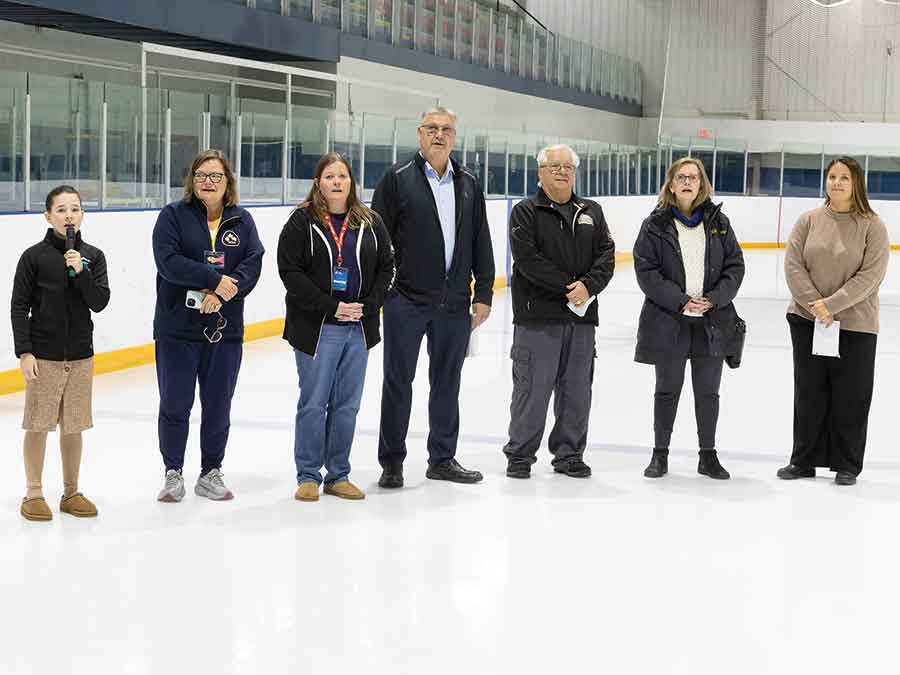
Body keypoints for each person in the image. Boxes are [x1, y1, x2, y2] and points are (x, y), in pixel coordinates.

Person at [371, 106, 495, 488]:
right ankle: (392, 462)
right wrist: (386, 293)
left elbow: (480, 240)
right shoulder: (396, 179)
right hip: (405, 301)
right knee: (398, 381)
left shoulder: (469, 182)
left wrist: (484, 292)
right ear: (420, 134)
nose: (439, 135)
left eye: (446, 130)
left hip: (454, 303)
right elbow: (378, 241)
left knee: (447, 382)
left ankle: (442, 458)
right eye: (432, 129)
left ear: (454, 137)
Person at [278, 153, 395, 502]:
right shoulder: (302, 221)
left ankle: (339, 474)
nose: (337, 182)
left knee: (347, 404)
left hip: (358, 327)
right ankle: (309, 475)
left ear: (351, 182)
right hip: (318, 328)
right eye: (330, 176)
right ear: (318, 183)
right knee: (314, 403)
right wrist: (332, 307)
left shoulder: (370, 221)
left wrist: (368, 306)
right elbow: (290, 273)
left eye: (342, 176)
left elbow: (388, 267)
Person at [152, 149, 264, 502]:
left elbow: (253, 263)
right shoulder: (173, 216)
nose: (208, 182)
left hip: (224, 331)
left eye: (216, 176)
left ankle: (210, 472)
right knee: (175, 403)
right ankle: (173, 473)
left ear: (228, 181)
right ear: (192, 180)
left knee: (218, 405)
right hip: (178, 330)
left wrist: (225, 293)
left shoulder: (242, 221)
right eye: (201, 175)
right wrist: (214, 280)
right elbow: (168, 262)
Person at [502, 144, 615, 479]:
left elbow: (606, 256)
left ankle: (569, 454)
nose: (562, 171)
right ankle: (521, 454)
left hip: (581, 321)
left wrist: (589, 287)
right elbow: (527, 260)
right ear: (540, 172)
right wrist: (571, 287)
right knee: (532, 389)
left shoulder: (591, 211)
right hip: (538, 318)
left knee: (577, 389)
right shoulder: (526, 211)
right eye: (554, 166)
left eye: (568, 166)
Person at [778, 157, 889, 486]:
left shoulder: (872, 225)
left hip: (855, 324)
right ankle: (803, 461)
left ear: (856, 183)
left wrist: (831, 305)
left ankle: (847, 464)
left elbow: (871, 276)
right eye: (832, 177)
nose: (837, 183)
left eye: (844, 177)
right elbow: (793, 266)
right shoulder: (808, 220)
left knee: (851, 395)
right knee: (809, 392)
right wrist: (816, 307)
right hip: (806, 321)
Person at [633, 157, 745, 479]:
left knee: (708, 392)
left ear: (701, 184)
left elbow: (734, 266)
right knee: (667, 389)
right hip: (670, 320)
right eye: (681, 176)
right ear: (671, 184)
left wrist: (713, 299)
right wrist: (681, 302)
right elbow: (646, 271)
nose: (687, 182)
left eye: (693, 177)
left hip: (712, 322)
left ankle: (708, 455)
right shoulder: (655, 225)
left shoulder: (718, 221)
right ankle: (660, 455)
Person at [11, 185, 110, 521]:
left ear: (82, 215)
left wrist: (80, 272)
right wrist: (25, 352)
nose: (69, 215)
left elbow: (99, 302)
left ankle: (71, 491)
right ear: (48, 215)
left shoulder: (93, 257)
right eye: (62, 209)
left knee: (74, 426)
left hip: (81, 355)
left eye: (75, 209)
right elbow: (19, 306)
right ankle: (33, 492)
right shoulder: (33, 257)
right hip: (44, 355)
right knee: (37, 424)